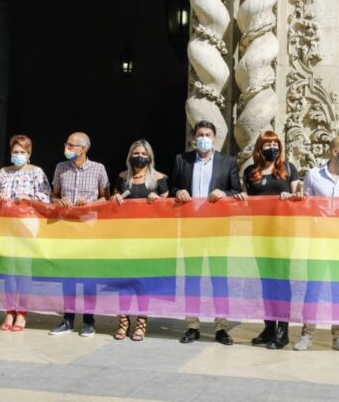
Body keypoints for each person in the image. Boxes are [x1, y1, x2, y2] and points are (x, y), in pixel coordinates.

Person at [170, 119, 243, 345]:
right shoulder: (182, 160)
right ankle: (192, 325)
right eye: (200, 134)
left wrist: (224, 193)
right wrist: (178, 191)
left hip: (217, 230)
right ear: (194, 138)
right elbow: (172, 187)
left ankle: (221, 326)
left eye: (208, 135)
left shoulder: (228, 161)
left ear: (214, 138)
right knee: (192, 279)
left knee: (219, 279)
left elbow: (236, 191)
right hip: (191, 229)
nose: (204, 138)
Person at [294, 136, 339, 353]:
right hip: (318, 240)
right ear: (335, 151)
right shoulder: (314, 175)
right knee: (313, 288)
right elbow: (305, 206)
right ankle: (307, 334)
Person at [242, 131, 303, 350]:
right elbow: (246, 200)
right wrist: (241, 198)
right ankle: (269, 326)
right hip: (259, 233)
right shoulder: (250, 172)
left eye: (275, 144)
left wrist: (291, 197)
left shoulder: (289, 169)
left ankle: (283, 330)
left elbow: (299, 197)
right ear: (260, 149)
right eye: (267, 145)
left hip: (283, 232)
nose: (272, 148)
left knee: (281, 280)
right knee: (266, 280)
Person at [48, 132, 109, 337]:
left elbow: (106, 198)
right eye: (67, 144)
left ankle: (89, 321)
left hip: (89, 230)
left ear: (83, 149)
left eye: (71, 145)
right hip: (66, 228)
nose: (67, 147)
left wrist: (90, 204)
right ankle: (67, 319)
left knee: (89, 276)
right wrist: (59, 201)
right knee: (68, 276)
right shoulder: (60, 167)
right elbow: (53, 195)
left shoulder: (98, 168)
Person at [109, 139, 169, 341]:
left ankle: (142, 322)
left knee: (143, 283)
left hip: (148, 240)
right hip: (124, 238)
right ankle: (123, 322)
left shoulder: (159, 179)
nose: (140, 157)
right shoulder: (122, 178)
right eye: (136, 153)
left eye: (143, 154)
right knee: (123, 281)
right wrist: (114, 199)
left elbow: (168, 208)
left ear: (149, 157)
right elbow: (112, 203)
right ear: (130, 156)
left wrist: (159, 201)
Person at [0, 134, 51, 332]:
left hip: (27, 226)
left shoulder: (36, 172)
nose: (18, 155)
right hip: (6, 226)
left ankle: (22, 313)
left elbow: (46, 197)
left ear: (29, 153)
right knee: (8, 270)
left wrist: (28, 198)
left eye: (22, 152)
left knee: (24, 270)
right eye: (15, 151)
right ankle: (9, 310)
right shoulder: (3, 172)